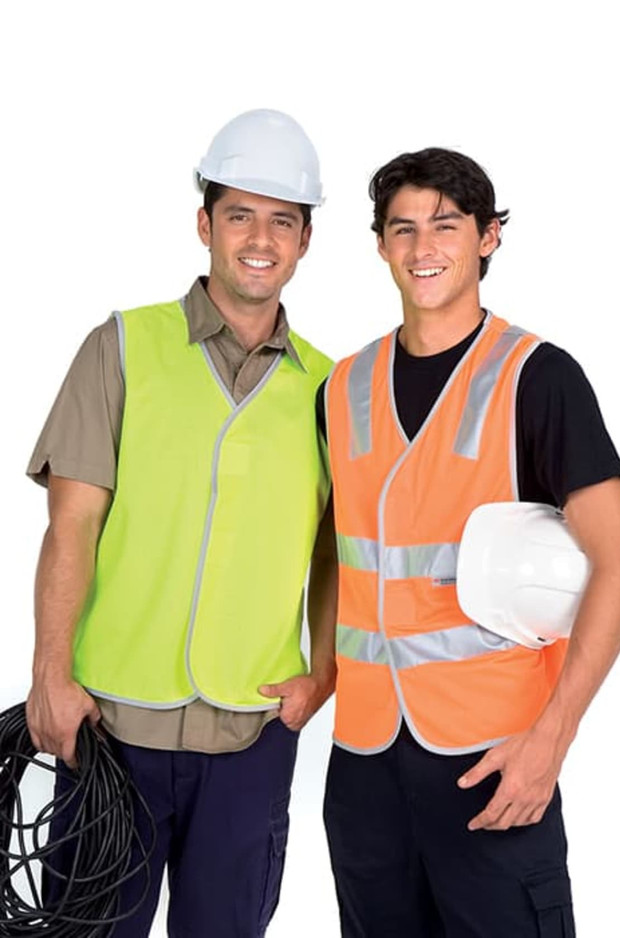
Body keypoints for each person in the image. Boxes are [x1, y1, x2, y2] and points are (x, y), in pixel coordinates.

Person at [321, 147, 620, 937]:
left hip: (494, 760)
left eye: (446, 225)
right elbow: (338, 552)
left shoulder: (537, 376)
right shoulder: (341, 386)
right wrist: (317, 673)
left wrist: (552, 740)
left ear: (488, 237)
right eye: (403, 228)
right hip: (363, 766)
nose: (422, 247)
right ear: (380, 245)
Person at [25, 108, 337, 938]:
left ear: (306, 240)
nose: (260, 239)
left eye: (283, 220)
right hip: (112, 726)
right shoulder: (121, 348)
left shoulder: (331, 389)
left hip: (251, 734)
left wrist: (325, 673)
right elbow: (71, 525)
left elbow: (335, 553)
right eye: (240, 215)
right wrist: (50, 672)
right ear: (205, 225)